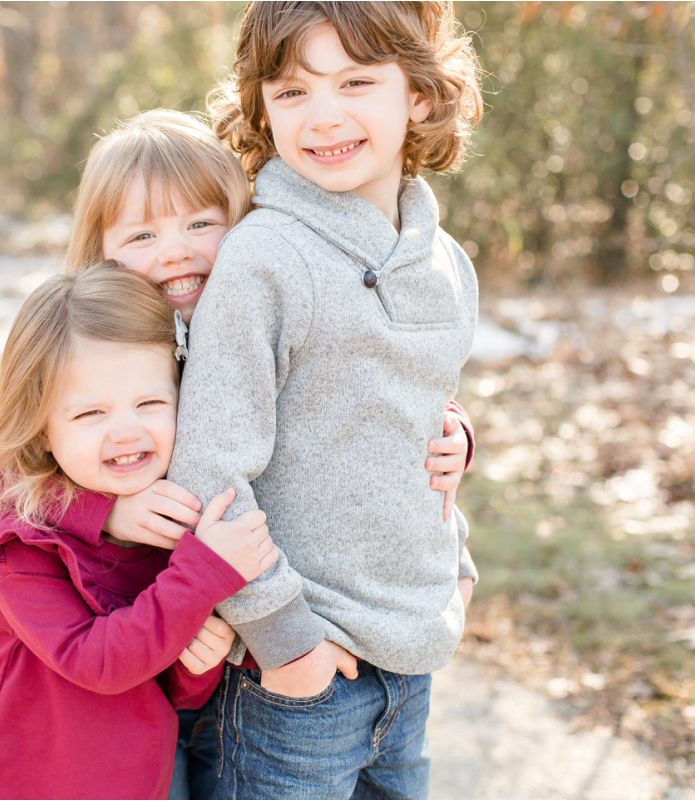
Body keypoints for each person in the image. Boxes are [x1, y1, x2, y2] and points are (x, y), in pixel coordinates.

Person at [0, 109, 476, 799]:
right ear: (100, 252)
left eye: (201, 223)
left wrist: (456, 427)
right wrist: (98, 507)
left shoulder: (258, 305)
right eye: (142, 234)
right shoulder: (110, 347)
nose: (176, 252)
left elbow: (357, 387)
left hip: (182, 661)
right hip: (106, 694)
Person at [162, 2, 485, 798]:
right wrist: (286, 641)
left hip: (409, 659)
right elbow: (212, 477)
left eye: (356, 82)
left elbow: (415, 429)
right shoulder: (264, 260)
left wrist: (459, 566)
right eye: (294, 91)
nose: (325, 116)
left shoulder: (444, 263)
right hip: (297, 679)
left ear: (418, 94)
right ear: (261, 107)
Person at [0, 263, 280, 800]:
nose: (126, 431)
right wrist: (205, 573)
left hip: (139, 779)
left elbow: (163, 684)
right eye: (90, 413)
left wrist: (198, 664)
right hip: (25, 781)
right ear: (41, 429)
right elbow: (98, 662)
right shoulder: (15, 544)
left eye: (149, 403)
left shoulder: (167, 520)